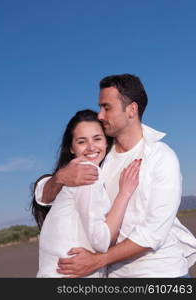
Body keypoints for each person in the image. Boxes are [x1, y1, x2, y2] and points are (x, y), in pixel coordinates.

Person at [35, 74, 196, 278]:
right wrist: (60, 177)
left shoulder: (160, 157)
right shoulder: (100, 156)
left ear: (131, 110)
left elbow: (153, 233)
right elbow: (43, 195)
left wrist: (97, 261)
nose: (100, 115)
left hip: (161, 273)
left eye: (106, 107)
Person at [31, 109, 141, 278]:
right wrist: (124, 194)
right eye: (82, 141)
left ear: (106, 143)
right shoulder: (87, 173)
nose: (91, 147)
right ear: (72, 148)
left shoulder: (86, 174)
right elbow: (102, 241)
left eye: (97, 139)